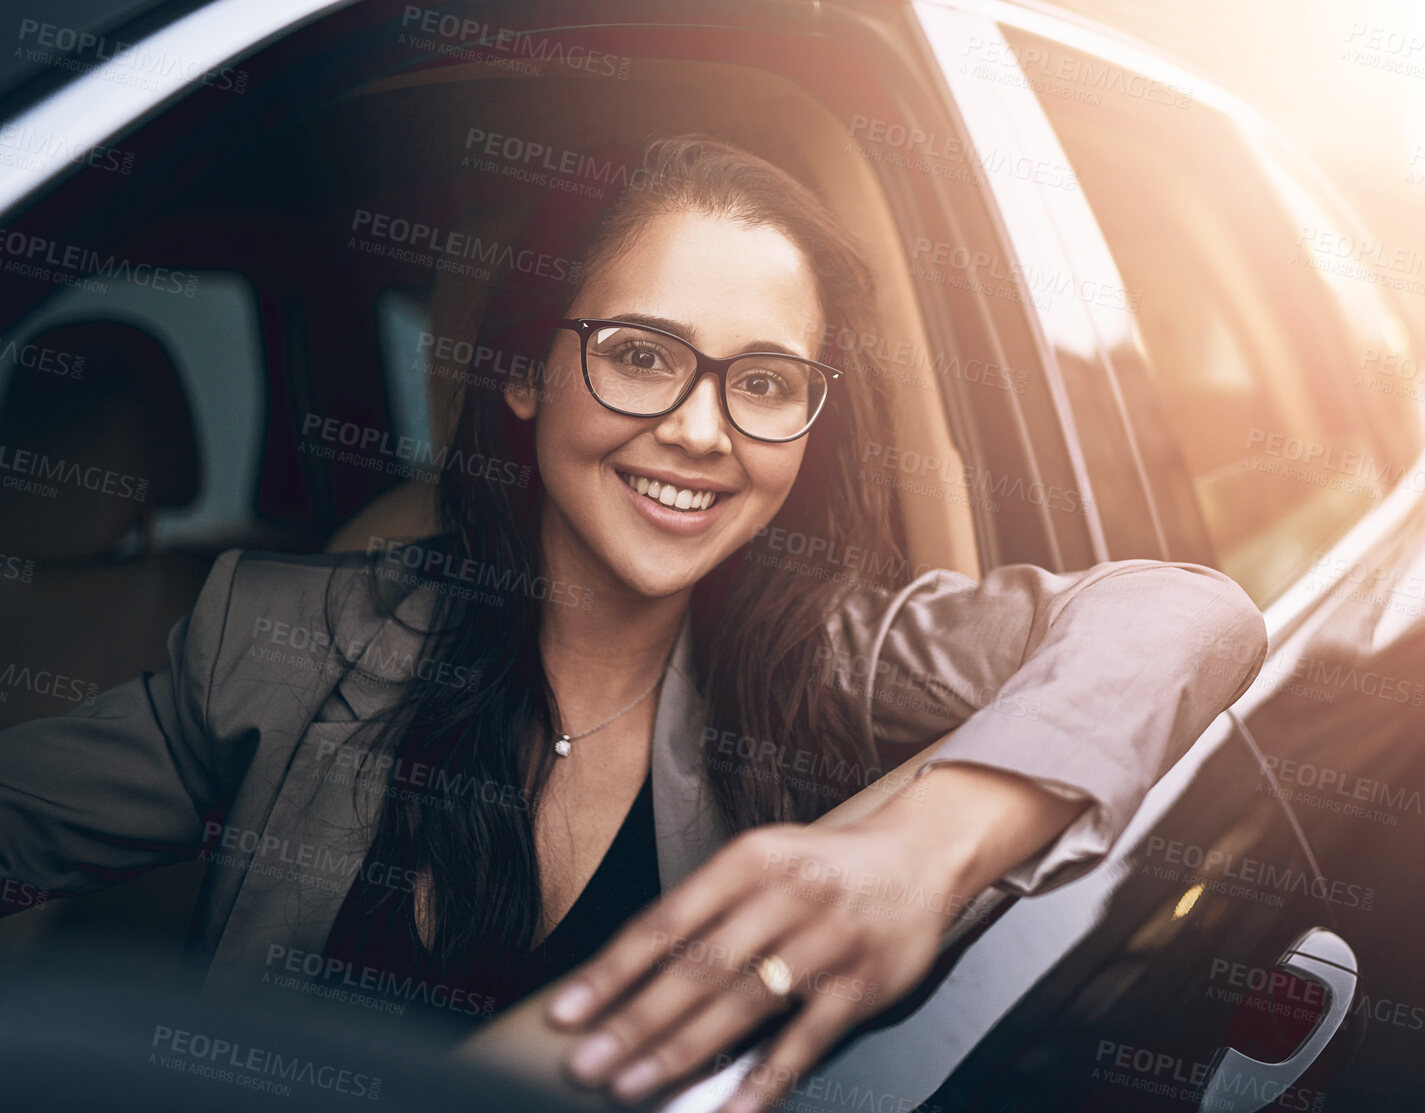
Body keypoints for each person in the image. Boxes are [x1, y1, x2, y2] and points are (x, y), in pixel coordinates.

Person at [0, 135, 1268, 1113]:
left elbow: (1188, 613)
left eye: (764, 382)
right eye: (645, 355)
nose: (703, 432)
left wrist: (921, 849)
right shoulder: (268, 643)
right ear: (521, 368)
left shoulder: (829, 657)